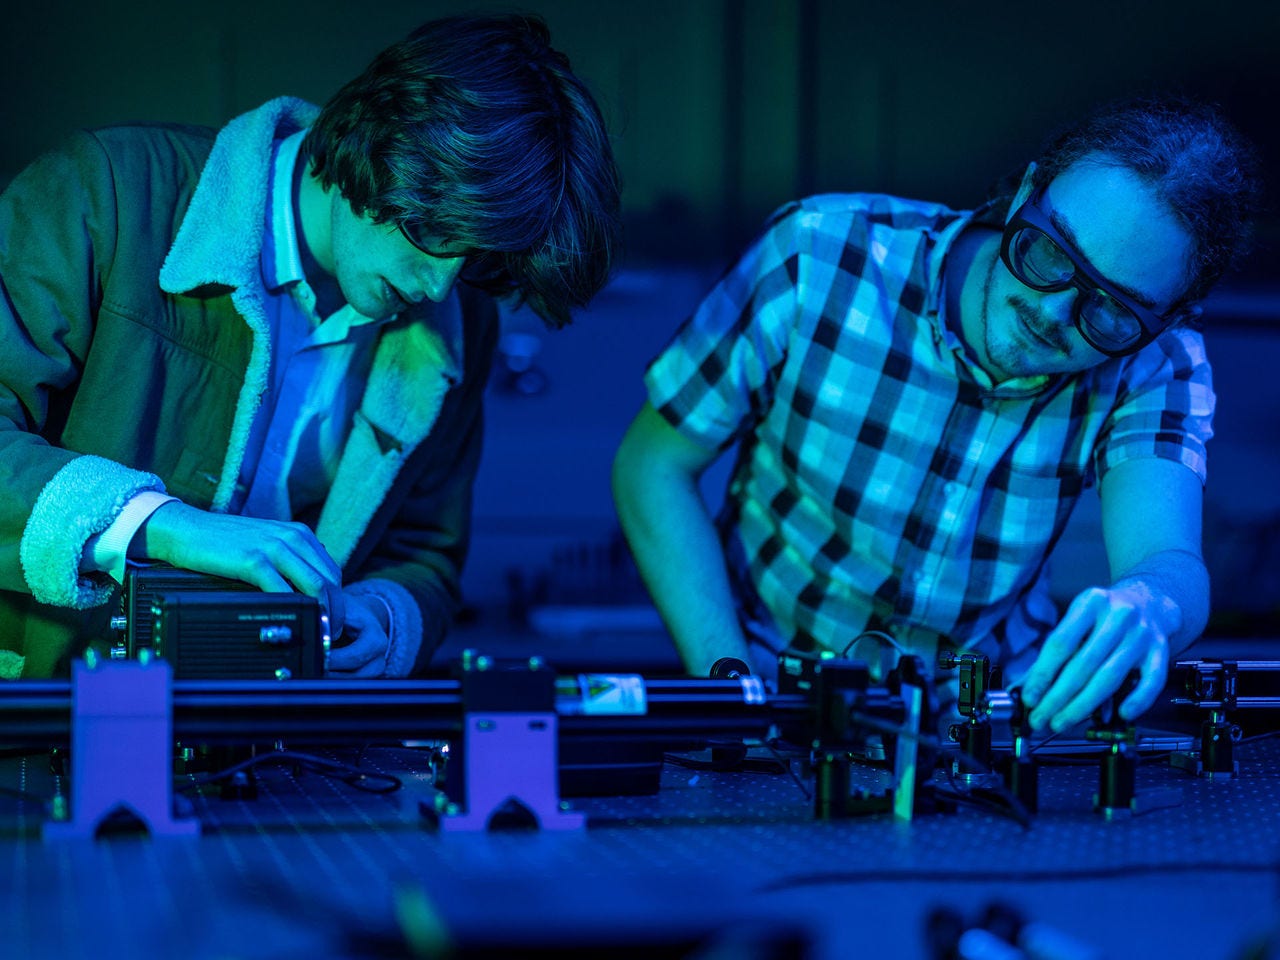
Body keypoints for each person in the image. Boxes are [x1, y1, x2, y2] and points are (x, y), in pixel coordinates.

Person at [0, 14, 621, 679]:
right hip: (43, 709)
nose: (440, 286)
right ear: (382, 145)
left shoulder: (459, 321)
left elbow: (423, 551)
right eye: (439, 232)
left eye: (477, 259)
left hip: (268, 728)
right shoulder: (107, 194)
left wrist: (382, 620)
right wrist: (165, 526)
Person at [613, 97, 1260, 734]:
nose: (1051, 312)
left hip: (981, 726)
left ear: (1168, 319)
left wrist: (1149, 604)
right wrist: (733, 691)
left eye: (1112, 310)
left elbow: (1169, 561)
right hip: (771, 689)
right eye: (1048, 252)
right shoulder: (819, 255)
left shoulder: (1158, 362)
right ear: (1025, 193)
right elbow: (653, 466)